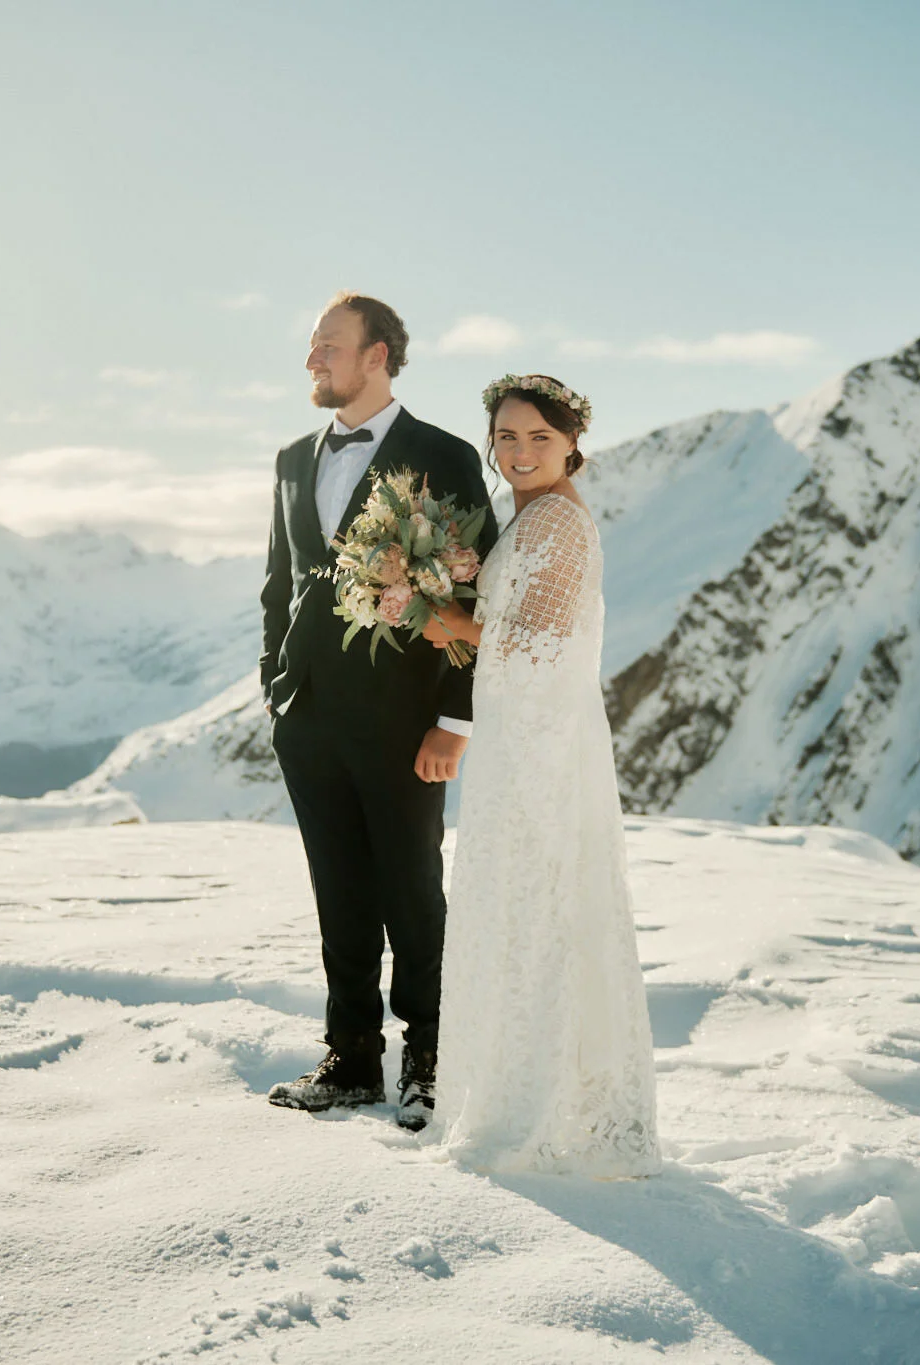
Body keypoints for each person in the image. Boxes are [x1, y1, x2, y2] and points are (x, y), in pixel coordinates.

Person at [259, 291, 499, 1128]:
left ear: (378, 356)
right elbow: (280, 584)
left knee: (411, 888)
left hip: (406, 721)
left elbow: (481, 593)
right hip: (310, 715)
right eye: (312, 346)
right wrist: (275, 687)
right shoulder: (293, 458)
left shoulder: (445, 454)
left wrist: (456, 718)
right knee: (340, 889)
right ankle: (351, 1054)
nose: (312, 360)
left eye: (327, 345)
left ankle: (431, 1055)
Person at [417, 373, 662, 1176]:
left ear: (570, 446)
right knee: (516, 901)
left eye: (539, 438)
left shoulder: (556, 521)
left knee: (540, 900)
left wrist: (449, 619)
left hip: (544, 749)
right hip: (517, 741)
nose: (521, 452)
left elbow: (540, 645)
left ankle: (545, 1101)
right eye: (508, 437)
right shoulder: (525, 519)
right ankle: (508, 1082)